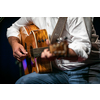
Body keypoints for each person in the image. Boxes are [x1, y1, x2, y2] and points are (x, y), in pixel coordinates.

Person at [7, 17, 92, 84]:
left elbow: (82, 47)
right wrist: (15, 43)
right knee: (22, 84)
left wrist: (59, 51)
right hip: (55, 70)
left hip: (84, 69)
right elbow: (13, 28)